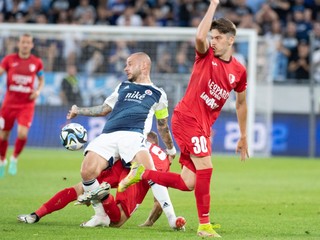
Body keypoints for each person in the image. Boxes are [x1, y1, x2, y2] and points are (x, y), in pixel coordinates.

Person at [118, 1, 249, 238]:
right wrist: (213, 5)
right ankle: (204, 226)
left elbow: (241, 103)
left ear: (231, 40)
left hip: (203, 126)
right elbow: (199, 36)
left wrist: (243, 135)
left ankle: (142, 174)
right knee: (207, 168)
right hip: (187, 118)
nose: (213, 41)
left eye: (218, 38)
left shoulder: (239, 71)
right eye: (213, 36)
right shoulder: (205, 56)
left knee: (189, 182)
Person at [66, 52, 181, 229]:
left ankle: (173, 219)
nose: (125, 68)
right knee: (87, 171)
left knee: (150, 173)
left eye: (129, 64)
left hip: (133, 135)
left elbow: (162, 125)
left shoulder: (158, 94)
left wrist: (171, 150)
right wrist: (78, 110)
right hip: (109, 134)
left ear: (143, 66)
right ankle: (101, 215)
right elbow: (104, 109)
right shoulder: (122, 87)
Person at [17, 131, 185, 229]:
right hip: (137, 174)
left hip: (122, 162)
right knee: (117, 221)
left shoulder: (133, 140)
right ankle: (104, 198)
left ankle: (36, 215)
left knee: (82, 187)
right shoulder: (162, 159)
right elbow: (159, 201)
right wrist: (150, 222)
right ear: (155, 143)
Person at [0, 33, 45, 178]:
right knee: (4, 135)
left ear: (31, 45)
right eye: (23, 42)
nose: (25, 45)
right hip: (9, 103)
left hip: (26, 104)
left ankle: (14, 159)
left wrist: (37, 91)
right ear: (19, 44)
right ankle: (2, 161)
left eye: (28, 43)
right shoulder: (9, 60)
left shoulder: (36, 62)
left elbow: (41, 79)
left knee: (22, 133)